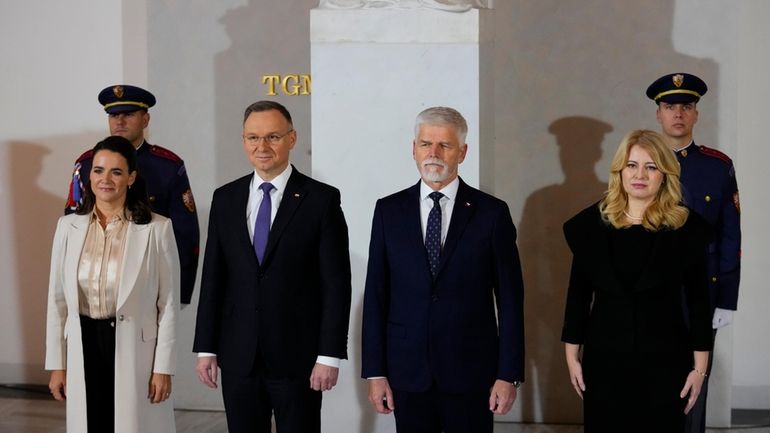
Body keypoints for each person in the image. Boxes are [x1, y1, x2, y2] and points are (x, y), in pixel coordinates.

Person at [361, 106, 525, 433]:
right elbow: (376, 294)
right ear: (413, 149)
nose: (433, 153)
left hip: (471, 372)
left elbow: (510, 299)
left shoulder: (491, 214)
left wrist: (508, 374)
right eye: (425, 144)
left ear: (462, 152)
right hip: (407, 372)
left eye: (445, 146)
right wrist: (375, 372)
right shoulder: (388, 211)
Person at [192, 100, 352, 433]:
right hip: (238, 357)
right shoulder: (225, 198)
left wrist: (329, 355)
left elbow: (336, 285)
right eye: (253, 137)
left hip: (298, 359)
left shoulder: (321, 200)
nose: (262, 147)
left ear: (292, 139)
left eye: (273, 137)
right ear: (243, 141)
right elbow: (213, 279)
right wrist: (206, 347)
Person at [561, 129, 713, 432]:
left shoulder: (688, 229)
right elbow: (578, 295)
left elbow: (699, 302)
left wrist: (700, 369)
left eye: (651, 166)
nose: (639, 174)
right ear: (619, 171)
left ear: (664, 175)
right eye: (632, 165)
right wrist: (571, 356)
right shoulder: (589, 227)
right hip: (604, 361)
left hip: (666, 362)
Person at [46, 136, 179, 433]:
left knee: (130, 424)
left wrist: (163, 367)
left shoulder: (157, 229)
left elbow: (168, 305)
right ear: (88, 175)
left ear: (131, 178)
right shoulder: (68, 227)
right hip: (84, 341)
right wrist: (57, 364)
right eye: (98, 170)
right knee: (91, 423)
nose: (105, 179)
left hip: (135, 349)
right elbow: (57, 302)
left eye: (116, 172)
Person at [646, 72, 741, 433]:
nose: (678, 114)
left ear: (696, 114)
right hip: (650, 291)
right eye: (669, 106)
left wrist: (727, 298)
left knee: (694, 385)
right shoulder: (641, 164)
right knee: (652, 381)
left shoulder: (717, 166)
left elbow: (730, 234)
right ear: (658, 113)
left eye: (686, 106)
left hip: (701, 291)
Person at [65, 84, 199, 305]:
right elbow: (74, 225)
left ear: (145, 120)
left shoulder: (167, 166)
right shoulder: (87, 163)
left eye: (128, 114)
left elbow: (184, 233)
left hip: (148, 284)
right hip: (93, 283)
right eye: (114, 115)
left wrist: (179, 291)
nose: (120, 121)